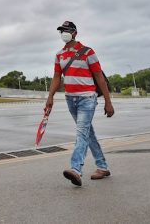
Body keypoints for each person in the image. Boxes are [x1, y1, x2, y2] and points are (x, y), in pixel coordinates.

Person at [45, 20, 114, 186]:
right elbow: (56, 78)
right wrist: (50, 97)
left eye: (66, 30)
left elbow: (99, 78)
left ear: (75, 33)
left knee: (82, 132)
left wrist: (108, 101)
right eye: (61, 31)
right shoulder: (59, 55)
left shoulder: (88, 52)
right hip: (70, 98)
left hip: (87, 98)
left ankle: (76, 169)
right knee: (87, 133)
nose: (63, 33)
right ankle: (102, 166)